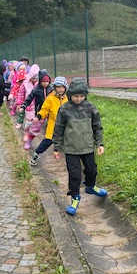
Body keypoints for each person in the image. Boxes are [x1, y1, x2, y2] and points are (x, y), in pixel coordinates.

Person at [52, 77, 107, 216]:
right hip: (71, 149)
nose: (78, 99)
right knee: (74, 175)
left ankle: (90, 186)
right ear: (70, 95)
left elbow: (97, 126)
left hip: (87, 146)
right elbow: (58, 129)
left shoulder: (90, 107)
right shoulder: (64, 109)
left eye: (81, 96)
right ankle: (75, 198)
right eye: (76, 96)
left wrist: (99, 143)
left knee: (92, 170)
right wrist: (57, 148)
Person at [29, 76, 68, 166]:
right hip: (54, 124)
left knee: (69, 141)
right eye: (58, 87)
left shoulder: (68, 98)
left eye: (62, 87)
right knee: (48, 140)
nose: (60, 89)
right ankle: (36, 154)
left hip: (66, 125)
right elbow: (45, 109)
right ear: (54, 87)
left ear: (65, 87)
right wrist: (39, 116)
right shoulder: (51, 98)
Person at [21, 69, 52, 149]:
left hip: (51, 111)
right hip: (40, 112)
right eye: (43, 81)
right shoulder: (36, 89)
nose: (45, 83)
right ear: (40, 81)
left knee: (54, 127)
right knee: (35, 127)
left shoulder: (51, 89)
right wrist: (24, 106)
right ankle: (29, 140)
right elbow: (30, 98)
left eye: (47, 81)